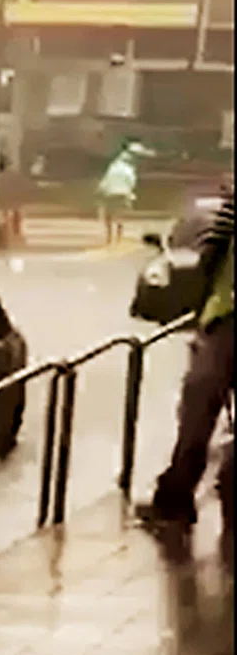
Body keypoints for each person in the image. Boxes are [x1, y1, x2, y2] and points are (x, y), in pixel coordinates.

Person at [137, 177, 235, 552]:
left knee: (198, 408)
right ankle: (175, 498)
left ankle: (175, 500)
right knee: (198, 408)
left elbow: (211, 257)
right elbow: (212, 254)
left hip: (224, 322)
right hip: (222, 318)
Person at [96, 145, 140, 245]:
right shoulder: (129, 170)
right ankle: (119, 238)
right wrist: (130, 193)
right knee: (120, 217)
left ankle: (109, 237)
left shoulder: (112, 169)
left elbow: (105, 182)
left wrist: (100, 191)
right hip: (123, 194)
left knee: (108, 217)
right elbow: (132, 183)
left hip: (110, 194)